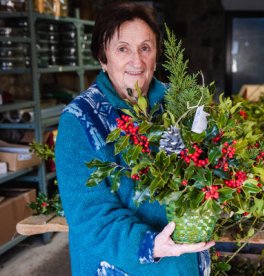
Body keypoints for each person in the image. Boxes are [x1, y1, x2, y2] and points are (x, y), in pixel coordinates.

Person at [55, 2, 214, 275]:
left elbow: (207, 166)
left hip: (185, 266)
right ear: (103, 57)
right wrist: (150, 244)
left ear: (156, 55)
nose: (137, 61)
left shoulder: (180, 103)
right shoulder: (79, 122)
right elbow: (91, 218)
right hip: (123, 267)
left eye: (145, 48)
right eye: (122, 49)